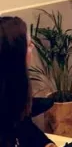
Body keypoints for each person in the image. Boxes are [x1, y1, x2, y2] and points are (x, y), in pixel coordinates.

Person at [0, 16, 56, 147]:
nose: (33, 46)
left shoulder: (11, 96)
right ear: (15, 55)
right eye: (29, 44)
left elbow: (28, 132)